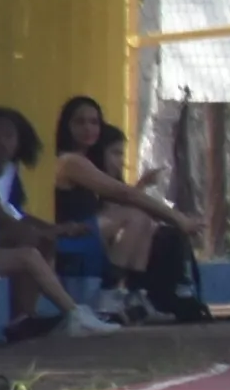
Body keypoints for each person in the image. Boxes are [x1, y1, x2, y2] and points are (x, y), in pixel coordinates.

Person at [0, 107, 110, 340]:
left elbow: (17, 214)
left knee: (44, 240)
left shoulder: (10, 171)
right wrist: (42, 231)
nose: (2, 142)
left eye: (9, 136)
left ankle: (24, 315)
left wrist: (56, 229)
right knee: (29, 242)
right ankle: (73, 314)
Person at [49, 95, 199, 321]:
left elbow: (117, 200)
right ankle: (110, 293)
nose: (88, 128)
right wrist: (178, 219)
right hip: (71, 235)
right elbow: (124, 194)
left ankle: (133, 293)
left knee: (143, 218)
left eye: (94, 122)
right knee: (135, 215)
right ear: (66, 127)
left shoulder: (86, 160)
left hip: (89, 232)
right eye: (79, 122)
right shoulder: (71, 162)